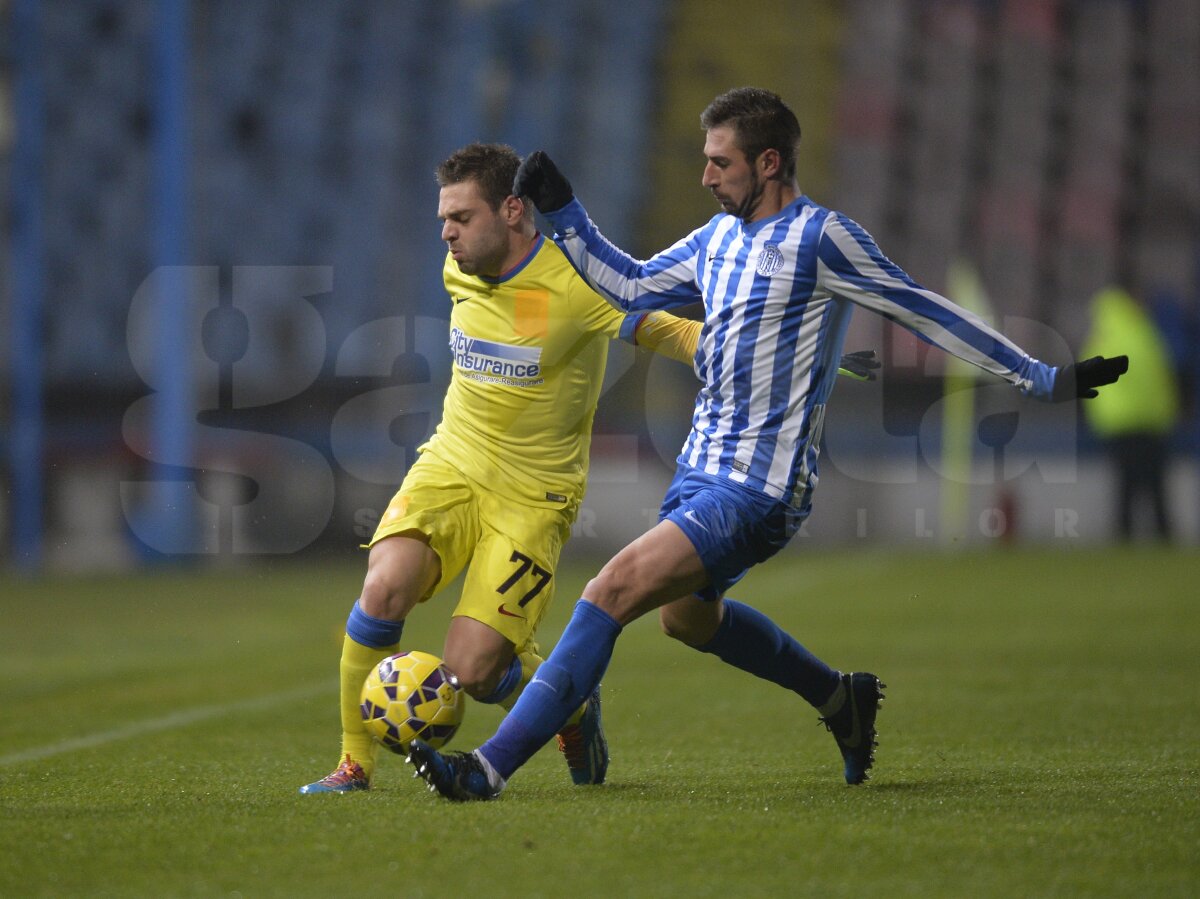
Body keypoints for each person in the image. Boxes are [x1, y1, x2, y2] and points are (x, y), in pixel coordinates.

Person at [407, 87, 1129, 801]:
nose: (707, 175)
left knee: (612, 588)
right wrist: (565, 214)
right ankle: (838, 696)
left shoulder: (824, 239)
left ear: (770, 162)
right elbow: (629, 287)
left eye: (721, 162)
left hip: (762, 486)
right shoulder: (717, 238)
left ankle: (488, 769)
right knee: (686, 618)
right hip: (700, 470)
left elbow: (923, 308)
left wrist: (1040, 376)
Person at [299, 142, 705, 793]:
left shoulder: (578, 285)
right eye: (442, 219)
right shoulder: (458, 267)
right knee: (383, 588)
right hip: (450, 464)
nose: (446, 233)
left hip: (532, 498)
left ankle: (570, 704)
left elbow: (675, 333)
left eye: (460, 217)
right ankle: (354, 763)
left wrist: (773, 362)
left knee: (474, 671)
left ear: (513, 210)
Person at [1081, 284, 1180, 541]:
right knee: (1155, 485)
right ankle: (1162, 536)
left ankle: (1123, 536)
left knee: (1126, 484)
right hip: (1149, 420)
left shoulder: (1101, 337)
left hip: (1118, 423)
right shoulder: (1143, 333)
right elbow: (1159, 378)